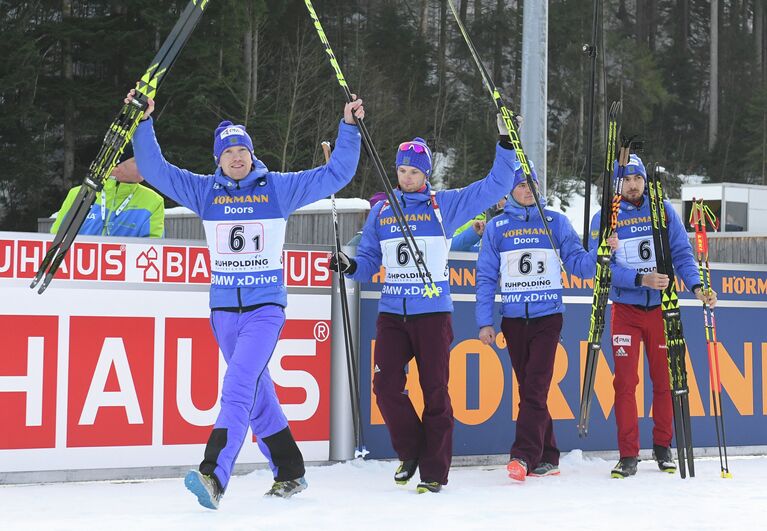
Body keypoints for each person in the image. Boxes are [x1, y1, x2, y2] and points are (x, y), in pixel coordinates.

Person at [126, 89, 364, 508]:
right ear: (218, 159)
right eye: (229, 151)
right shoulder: (205, 192)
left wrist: (348, 127)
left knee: (237, 388)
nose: (237, 157)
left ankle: (214, 474)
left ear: (252, 154)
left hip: (264, 310)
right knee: (257, 394)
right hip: (223, 313)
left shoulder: (277, 189)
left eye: (243, 150)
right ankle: (290, 471)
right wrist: (143, 123)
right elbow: (154, 169)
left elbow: (336, 174)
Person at [330, 118, 519, 494]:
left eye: (414, 171)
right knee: (385, 386)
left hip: (431, 313)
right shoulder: (382, 212)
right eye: (401, 170)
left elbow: (496, 185)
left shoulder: (443, 207)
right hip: (392, 314)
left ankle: (434, 471)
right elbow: (369, 261)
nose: (406, 177)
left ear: (426, 173)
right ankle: (412, 451)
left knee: (435, 390)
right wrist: (350, 266)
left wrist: (504, 140)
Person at [476, 164, 615, 482]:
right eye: (521, 184)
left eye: (532, 183)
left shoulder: (555, 222)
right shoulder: (498, 228)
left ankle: (522, 456)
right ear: (510, 190)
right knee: (530, 390)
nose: (527, 189)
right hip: (513, 320)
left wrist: (601, 252)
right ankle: (548, 455)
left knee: (536, 387)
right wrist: (485, 321)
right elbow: (485, 277)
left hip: (547, 317)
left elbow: (579, 264)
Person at [588, 154, 717, 478]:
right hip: (626, 311)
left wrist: (698, 287)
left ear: (644, 181)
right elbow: (601, 268)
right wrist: (639, 279)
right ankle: (628, 454)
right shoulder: (606, 218)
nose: (632, 185)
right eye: (626, 179)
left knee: (666, 381)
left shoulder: (662, 211)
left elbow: (683, 253)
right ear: (618, 183)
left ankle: (663, 447)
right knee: (625, 383)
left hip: (662, 309)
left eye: (637, 179)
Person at [51, 157, 164, 237]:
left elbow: (154, 248)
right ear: (115, 166)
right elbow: (56, 237)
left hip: (124, 269)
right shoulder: (79, 194)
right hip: (81, 268)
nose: (145, 165)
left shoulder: (153, 201)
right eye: (136, 160)